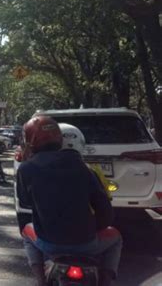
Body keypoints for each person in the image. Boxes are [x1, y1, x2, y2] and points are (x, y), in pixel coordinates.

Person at [16, 116, 122, 286]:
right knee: (116, 238)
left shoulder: (26, 168)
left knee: (27, 233)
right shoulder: (83, 168)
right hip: (87, 243)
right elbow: (105, 212)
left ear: (30, 140)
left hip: (48, 244)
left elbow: (25, 201)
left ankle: (41, 281)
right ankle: (105, 281)